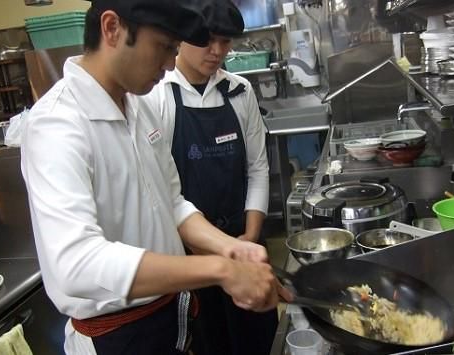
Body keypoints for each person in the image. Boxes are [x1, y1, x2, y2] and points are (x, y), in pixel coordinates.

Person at [20, 0, 290, 354]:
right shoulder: (57, 125)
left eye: (174, 50)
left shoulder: (139, 106)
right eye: (163, 48)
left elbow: (172, 203)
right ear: (112, 28)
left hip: (171, 318)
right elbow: (76, 263)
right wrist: (219, 269)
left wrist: (232, 247)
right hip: (116, 338)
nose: (168, 64)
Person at [145, 1, 276, 354]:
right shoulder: (157, 96)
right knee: (209, 342)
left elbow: (257, 168)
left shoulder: (239, 91)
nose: (217, 52)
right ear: (182, 39)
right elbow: (163, 193)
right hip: (189, 258)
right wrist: (204, 251)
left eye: (226, 42)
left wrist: (249, 237)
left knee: (258, 338)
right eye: (208, 41)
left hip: (243, 244)